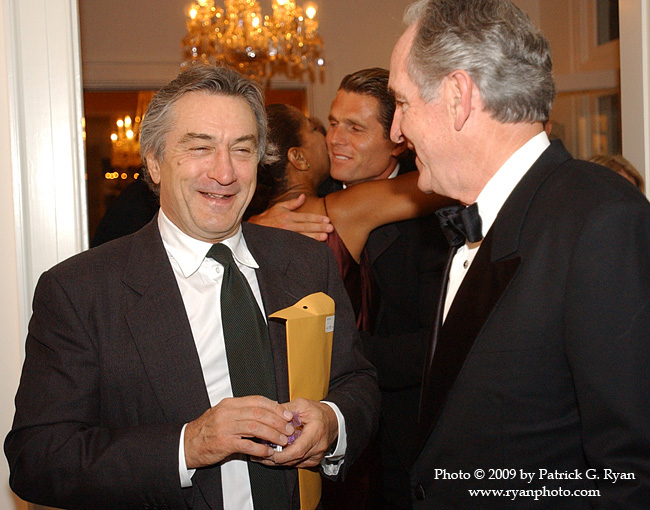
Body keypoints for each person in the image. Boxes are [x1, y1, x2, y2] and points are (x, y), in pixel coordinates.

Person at [5, 65, 380, 510]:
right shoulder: (81, 291)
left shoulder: (306, 261)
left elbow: (356, 381)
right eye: (201, 148)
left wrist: (332, 422)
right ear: (154, 161)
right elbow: (38, 459)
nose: (225, 173)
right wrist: (188, 445)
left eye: (242, 150)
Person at [389, 0, 650, 507]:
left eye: (402, 102)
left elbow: (632, 474)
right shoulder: (477, 216)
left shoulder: (602, 220)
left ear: (458, 96)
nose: (397, 131)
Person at [251, 68, 450, 510]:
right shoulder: (295, 202)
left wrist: (335, 352)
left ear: (397, 139)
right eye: (332, 123)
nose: (335, 139)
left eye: (355, 128)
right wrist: (253, 225)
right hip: (306, 434)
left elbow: (442, 344)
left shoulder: (437, 216)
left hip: (406, 439)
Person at [252, 103, 450, 333]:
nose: (328, 137)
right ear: (298, 157)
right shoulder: (339, 212)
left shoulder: (252, 227)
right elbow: (444, 182)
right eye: (313, 129)